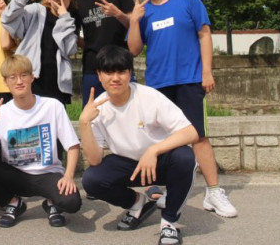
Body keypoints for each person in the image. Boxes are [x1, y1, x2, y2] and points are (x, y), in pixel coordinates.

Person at [127, 0, 238, 219]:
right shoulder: (144, 11)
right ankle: (170, 189)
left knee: (198, 136)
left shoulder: (188, 0)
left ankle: (213, 192)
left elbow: (204, 34)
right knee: (165, 141)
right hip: (158, 84)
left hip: (189, 79)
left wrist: (206, 72)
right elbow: (133, 49)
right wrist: (133, 21)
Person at [80, 46, 199, 245]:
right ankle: (137, 203)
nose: (115, 78)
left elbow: (191, 132)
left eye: (121, 71)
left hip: (159, 163)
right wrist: (84, 123)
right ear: (99, 75)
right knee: (92, 179)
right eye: (108, 72)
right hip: (129, 166)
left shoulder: (149, 97)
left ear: (130, 73)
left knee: (185, 158)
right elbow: (94, 159)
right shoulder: (97, 109)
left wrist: (153, 150)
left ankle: (169, 222)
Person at [0, 55, 82, 228]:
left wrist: (68, 177)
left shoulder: (52, 106)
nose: (19, 81)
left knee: (72, 203)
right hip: (15, 175)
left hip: (47, 174)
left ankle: (51, 203)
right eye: (12, 77)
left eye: (24, 75)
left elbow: (73, 146)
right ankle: (13, 203)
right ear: (5, 82)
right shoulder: (2, 113)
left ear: (32, 77)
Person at [72, 0, 134, 105]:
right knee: (94, 113)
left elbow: (135, 26)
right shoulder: (76, 1)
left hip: (120, 65)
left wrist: (118, 14)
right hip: (92, 68)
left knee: (128, 111)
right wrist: (90, 46)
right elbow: (73, 35)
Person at [1, 0, 79, 105]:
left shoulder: (72, 18)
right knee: (27, 114)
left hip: (57, 81)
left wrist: (64, 17)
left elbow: (69, 49)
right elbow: (8, 19)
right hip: (30, 77)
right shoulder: (36, 11)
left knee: (55, 114)